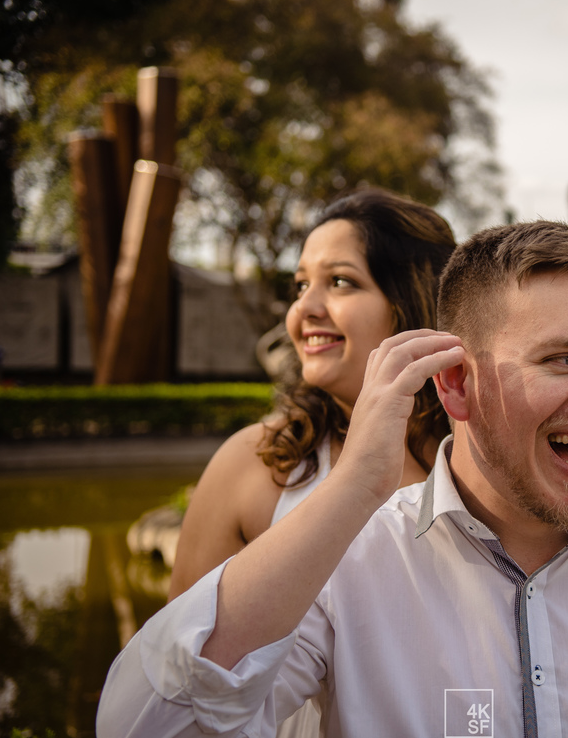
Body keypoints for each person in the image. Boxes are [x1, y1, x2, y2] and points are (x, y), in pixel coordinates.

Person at [98, 221, 568, 737]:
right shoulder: (343, 568)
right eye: (567, 358)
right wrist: (354, 485)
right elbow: (149, 723)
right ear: (458, 382)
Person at [165, 187, 457, 734]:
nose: (304, 310)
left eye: (340, 281)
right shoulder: (254, 465)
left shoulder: (476, 464)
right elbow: (180, 676)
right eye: (300, 285)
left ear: (411, 302)